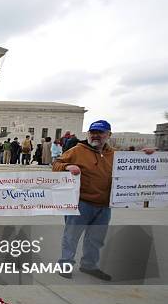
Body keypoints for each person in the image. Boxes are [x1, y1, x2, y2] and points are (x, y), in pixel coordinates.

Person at [52, 120, 155, 280]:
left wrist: (147, 156)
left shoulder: (114, 154)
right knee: (71, 236)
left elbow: (134, 165)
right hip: (81, 202)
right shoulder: (77, 150)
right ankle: (65, 265)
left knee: (95, 239)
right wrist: (67, 167)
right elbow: (56, 164)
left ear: (108, 135)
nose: (96, 135)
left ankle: (89, 266)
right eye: (93, 132)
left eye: (100, 132)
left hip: (105, 205)